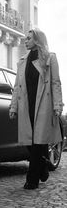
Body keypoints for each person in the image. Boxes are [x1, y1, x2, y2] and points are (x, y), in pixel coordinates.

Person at [9, 28, 64, 189]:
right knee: (30, 141)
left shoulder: (50, 58)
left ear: (37, 40)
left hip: (43, 105)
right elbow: (17, 86)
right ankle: (43, 163)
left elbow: (56, 82)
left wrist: (57, 105)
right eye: (26, 38)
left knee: (37, 142)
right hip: (27, 105)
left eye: (28, 38)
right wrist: (14, 107)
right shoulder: (22, 61)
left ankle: (31, 180)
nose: (25, 40)